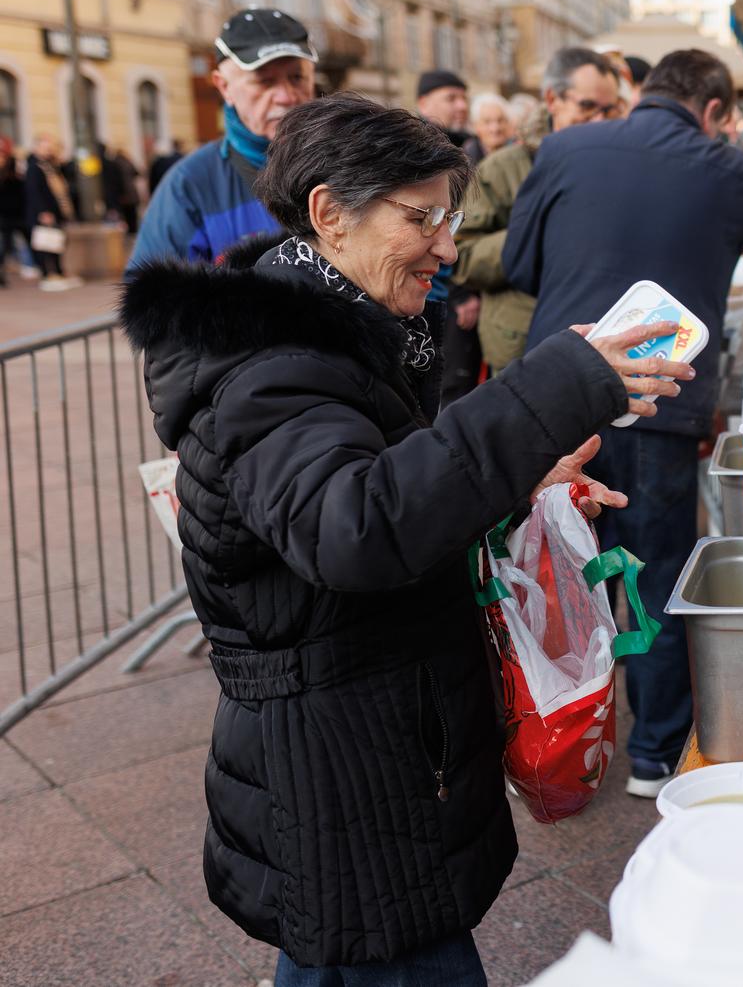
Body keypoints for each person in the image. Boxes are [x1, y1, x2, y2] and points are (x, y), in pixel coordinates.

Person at [118, 92, 693, 984]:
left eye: (449, 217)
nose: (447, 246)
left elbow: (390, 476)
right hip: (344, 765)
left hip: (362, 742)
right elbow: (360, 525)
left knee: (339, 951)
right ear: (328, 216)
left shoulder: (336, 330)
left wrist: (520, 478)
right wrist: (552, 389)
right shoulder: (273, 365)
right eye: (420, 218)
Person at [502, 48, 743, 797]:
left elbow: (520, 266)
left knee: (548, 567)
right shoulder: (727, 165)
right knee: (650, 572)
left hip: (555, 388)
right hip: (655, 396)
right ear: (714, 111)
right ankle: (652, 753)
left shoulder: (564, 145)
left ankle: (545, 745)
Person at [454, 48, 622, 374]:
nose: (600, 120)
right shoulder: (503, 168)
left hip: (603, 340)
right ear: (552, 99)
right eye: (587, 106)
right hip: (525, 348)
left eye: (609, 109)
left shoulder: (622, 166)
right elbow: (460, 255)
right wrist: (533, 233)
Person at [127, 9, 317, 272]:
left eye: (297, 77)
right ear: (224, 87)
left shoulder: (352, 164)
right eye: (264, 81)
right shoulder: (190, 185)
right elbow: (148, 301)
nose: (285, 96)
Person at [416, 70, 483, 405]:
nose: (461, 106)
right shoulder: (415, 157)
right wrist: (458, 294)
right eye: (451, 98)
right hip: (430, 296)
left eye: (464, 97)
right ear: (424, 102)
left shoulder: (467, 148)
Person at [24, 133, 81, 291]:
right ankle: (47, 275)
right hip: (42, 213)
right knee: (45, 244)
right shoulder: (34, 167)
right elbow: (34, 192)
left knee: (57, 243)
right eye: (45, 146)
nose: (48, 150)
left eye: (50, 147)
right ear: (37, 148)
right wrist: (43, 211)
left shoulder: (50, 165)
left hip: (55, 211)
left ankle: (58, 272)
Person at [0, 137, 28, 285]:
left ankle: (31, 267)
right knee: (4, 247)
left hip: (13, 215)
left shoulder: (13, 173)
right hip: (6, 216)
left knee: (7, 246)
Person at [415, 68, 472, 143]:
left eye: (464, 99)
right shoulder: (410, 148)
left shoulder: (472, 144)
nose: (463, 106)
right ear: (423, 104)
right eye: (451, 98)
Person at [464, 93, 513, 165]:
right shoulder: (466, 159)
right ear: (475, 126)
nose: (495, 128)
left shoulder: (518, 153)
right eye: (487, 122)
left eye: (500, 120)